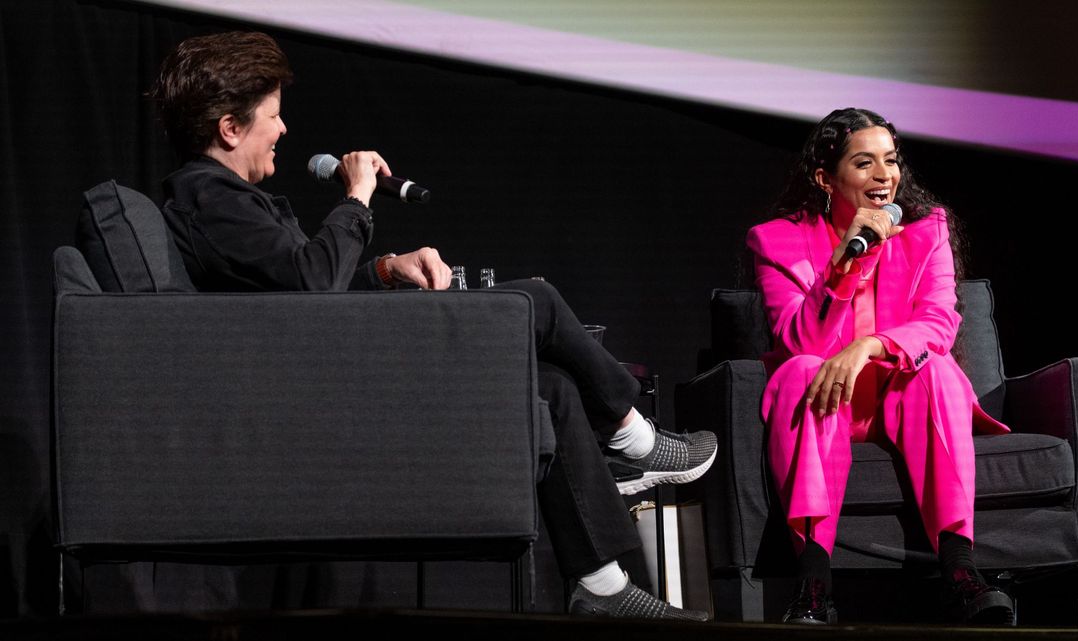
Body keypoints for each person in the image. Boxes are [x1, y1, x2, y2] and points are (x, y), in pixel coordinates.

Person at [149, 31, 716, 620]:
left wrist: (387, 270)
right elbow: (312, 284)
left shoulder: (225, 199)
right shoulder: (210, 200)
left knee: (550, 387)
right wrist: (358, 197)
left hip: (336, 372)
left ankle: (601, 585)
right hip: (330, 399)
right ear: (230, 128)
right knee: (536, 303)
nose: (284, 129)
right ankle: (634, 440)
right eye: (273, 115)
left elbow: (306, 293)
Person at [745, 108, 1013, 625]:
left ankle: (961, 572)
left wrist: (868, 346)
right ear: (825, 179)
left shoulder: (926, 231)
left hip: (901, 397)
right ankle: (813, 584)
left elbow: (938, 322)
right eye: (864, 163)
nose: (884, 175)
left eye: (890, 160)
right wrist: (843, 266)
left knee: (937, 369)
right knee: (800, 368)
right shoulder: (777, 242)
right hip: (827, 402)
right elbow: (800, 340)